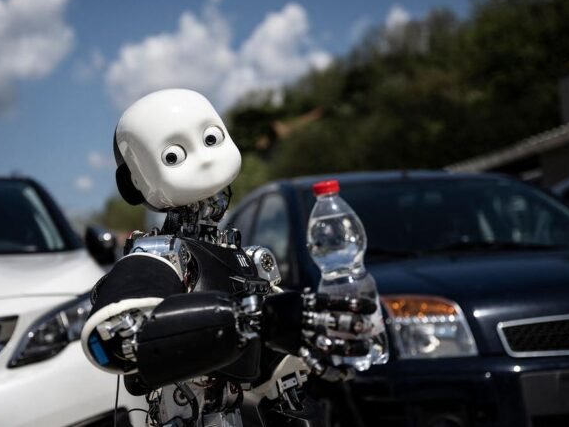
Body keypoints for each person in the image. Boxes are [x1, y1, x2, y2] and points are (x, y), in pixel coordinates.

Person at [80, 89, 383, 426]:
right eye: (173, 155)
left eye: (211, 138)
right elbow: (114, 338)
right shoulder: (160, 255)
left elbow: (271, 357)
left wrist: (312, 339)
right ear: (134, 181)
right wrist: (252, 319)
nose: (205, 157)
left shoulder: (241, 257)